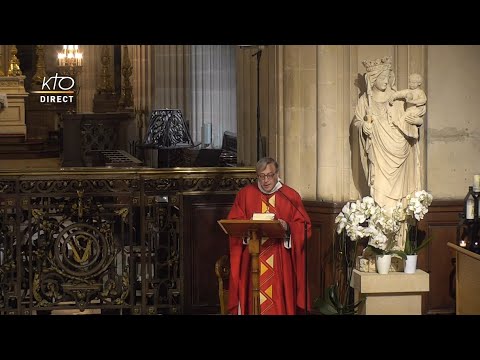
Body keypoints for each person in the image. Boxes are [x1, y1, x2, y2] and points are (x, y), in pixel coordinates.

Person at [227, 157, 312, 315]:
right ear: (257, 175)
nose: (266, 180)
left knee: (279, 298)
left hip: (279, 256)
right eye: (261, 176)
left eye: (270, 175)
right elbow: (234, 223)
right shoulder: (245, 194)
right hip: (253, 255)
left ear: (277, 174)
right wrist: (248, 226)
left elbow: (305, 226)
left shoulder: (290, 196)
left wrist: (288, 227)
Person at [353, 56, 422, 224]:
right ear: (373, 79)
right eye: (382, 78)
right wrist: (363, 126)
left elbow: (414, 117)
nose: (386, 81)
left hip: (400, 149)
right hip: (379, 153)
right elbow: (357, 122)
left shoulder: (398, 97)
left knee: (399, 202)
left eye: (388, 77)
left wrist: (417, 122)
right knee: (379, 193)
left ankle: (398, 240)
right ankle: (381, 239)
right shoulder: (365, 101)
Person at [388, 73, 427, 139]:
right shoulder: (408, 91)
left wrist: (413, 102)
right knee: (407, 121)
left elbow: (423, 100)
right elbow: (399, 93)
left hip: (416, 109)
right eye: (410, 82)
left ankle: (400, 124)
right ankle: (409, 132)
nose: (411, 84)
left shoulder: (420, 92)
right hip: (410, 109)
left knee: (406, 118)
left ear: (419, 83)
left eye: (413, 82)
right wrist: (393, 97)